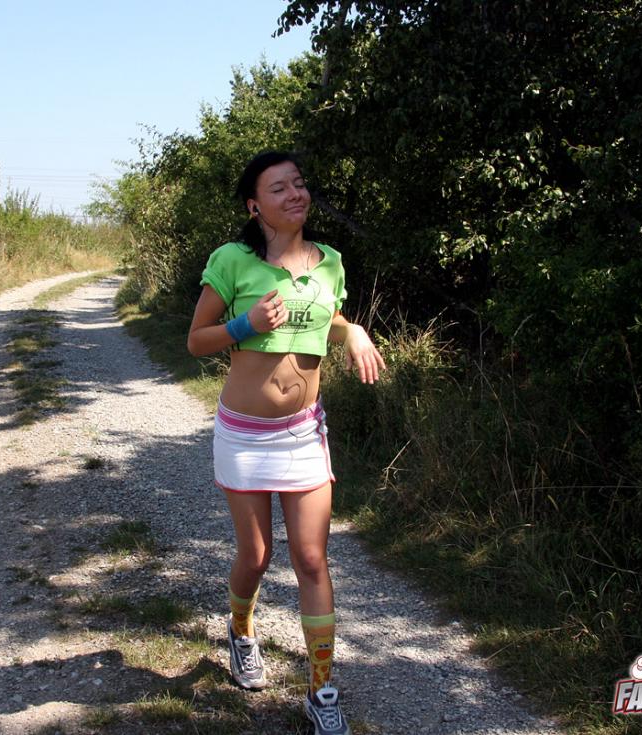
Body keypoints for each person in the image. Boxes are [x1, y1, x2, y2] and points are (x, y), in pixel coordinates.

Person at [187, 151, 385, 735]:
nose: (295, 193)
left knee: (312, 558)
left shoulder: (330, 262)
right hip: (245, 434)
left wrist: (355, 331)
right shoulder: (233, 260)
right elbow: (197, 340)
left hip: (303, 432)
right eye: (279, 188)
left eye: (298, 183)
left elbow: (331, 319)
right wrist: (245, 326)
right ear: (255, 205)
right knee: (256, 555)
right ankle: (241, 630)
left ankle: (322, 690)